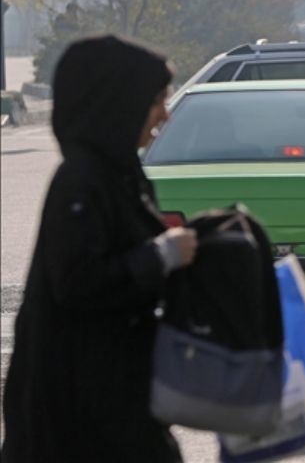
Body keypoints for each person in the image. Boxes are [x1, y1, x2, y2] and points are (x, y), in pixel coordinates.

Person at [2, 35, 198, 462]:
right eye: (155, 104)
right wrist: (161, 255)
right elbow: (77, 281)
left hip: (116, 401)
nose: (163, 117)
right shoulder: (82, 182)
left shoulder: (119, 175)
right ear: (119, 107)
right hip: (75, 416)